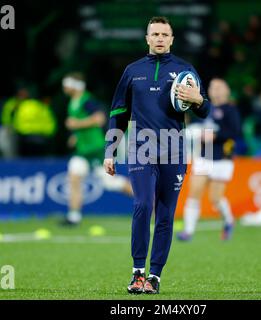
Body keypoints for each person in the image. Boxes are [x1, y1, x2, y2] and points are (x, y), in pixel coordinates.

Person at [104, 16, 210, 294]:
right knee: (143, 205)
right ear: (147, 39)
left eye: (165, 34)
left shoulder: (185, 70)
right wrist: (110, 151)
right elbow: (118, 113)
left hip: (174, 151)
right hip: (140, 149)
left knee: (165, 216)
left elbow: (204, 109)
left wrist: (199, 100)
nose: (160, 38)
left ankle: (154, 277)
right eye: (155, 34)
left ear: (172, 39)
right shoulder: (132, 71)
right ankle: (137, 272)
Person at [62, 72, 133, 225]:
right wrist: (76, 136)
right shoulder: (73, 102)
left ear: (75, 85)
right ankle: (73, 217)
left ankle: (150, 200)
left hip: (95, 149)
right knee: (73, 177)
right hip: (82, 150)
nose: (64, 87)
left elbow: (99, 119)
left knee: (110, 183)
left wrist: (76, 124)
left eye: (66, 83)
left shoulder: (87, 100)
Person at [177, 79, 241, 241]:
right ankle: (188, 231)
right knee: (194, 193)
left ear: (227, 90)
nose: (216, 90)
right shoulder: (205, 109)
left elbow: (235, 132)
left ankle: (228, 221)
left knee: (215, 199)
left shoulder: (231, 110)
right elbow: (196, 128)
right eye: (213, 87)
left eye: (219, 87)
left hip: (223, 159)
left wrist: (215, 136)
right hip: (204, 157)